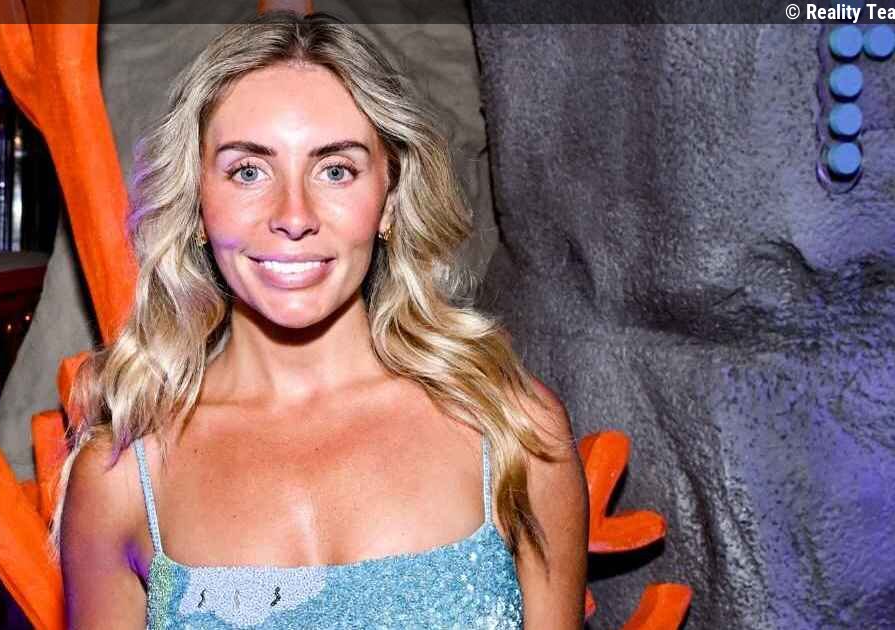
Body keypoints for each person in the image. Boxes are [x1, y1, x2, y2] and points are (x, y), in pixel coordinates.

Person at [56, 11, 588, 629]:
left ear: (389, 200)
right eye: (248, 171)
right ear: (197, 204)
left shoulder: (513, 432)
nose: (294, 215)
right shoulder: (124, 476)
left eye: (335, 170)